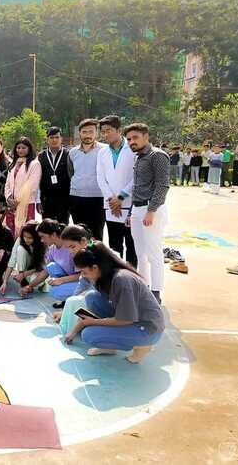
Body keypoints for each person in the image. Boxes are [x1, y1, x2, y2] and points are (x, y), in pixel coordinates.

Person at [65, 242, 165, 364]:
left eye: (84, 272)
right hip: (133, 319)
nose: (83, 275)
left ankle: (142, 346)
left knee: (89, 334)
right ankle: (110, 346)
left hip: (147, 328)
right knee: (92, 297)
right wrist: (74, 330)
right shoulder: (104, 277)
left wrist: (91, 322)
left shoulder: (122, 280)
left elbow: (126, 320)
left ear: (95, 268)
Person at [124, 123, 170, 304]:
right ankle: (144, 288)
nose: (131, 142)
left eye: (135, 137)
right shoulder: (138, 157)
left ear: (146, 136)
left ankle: (156, 292)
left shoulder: (157, 156)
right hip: (137, 209)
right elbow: (136, 188)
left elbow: (162, 185)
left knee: (153, 253)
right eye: (129, 139)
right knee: (140, 253)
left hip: (152, 209)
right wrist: (131, 212)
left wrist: (151, 210)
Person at [96, 115, 137, 268]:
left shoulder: (132, 149)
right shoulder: (102, 152)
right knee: (114, 245)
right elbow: (100, 178)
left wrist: (120, 197)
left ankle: (132, 275)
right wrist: (112, 199)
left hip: (129, 204)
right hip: (111, 206)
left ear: (119, 130)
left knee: (131, 245)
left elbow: (136, 177)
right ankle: (116, 276)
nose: (105, 134)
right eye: (103, 131)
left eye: (109, 130)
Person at [52, 224, 96, 335]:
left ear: (83, 241)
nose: (70, 251)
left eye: (72, 247)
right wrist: (66, 311)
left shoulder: (97, 256)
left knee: (89, 334)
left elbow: (102, 290)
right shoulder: (85, 256)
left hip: (113, 306)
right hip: (99, 298)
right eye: (68, 248)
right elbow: (81, 285)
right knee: (73, 301)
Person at [68, 119, 106, 241]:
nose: (88, 135)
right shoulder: (72, 152)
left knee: (96, 233)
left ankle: (95, 253)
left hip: (98, 198)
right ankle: (82, 253)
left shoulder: (104, 150)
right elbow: (71, 173)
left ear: (96, 133)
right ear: (79, 133)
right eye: (84, 132)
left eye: (91, 132)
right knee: (79, 234)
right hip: (76, 198)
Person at [36, 218, 81, 308]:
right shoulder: (52, 248)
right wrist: (30, 286)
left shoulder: (71, 247)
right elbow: (46, 271)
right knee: (51, 266)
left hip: (83, 282)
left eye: (43, 236)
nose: (41, 240)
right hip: (70, 279)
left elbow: (83, 275)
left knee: (55, 291)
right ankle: (67, 300)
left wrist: (61, 280)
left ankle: (76, 302)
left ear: (53, 235)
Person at [4, 136, 41, 237]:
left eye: (24, 148)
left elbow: (31, 186)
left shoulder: (34, 164)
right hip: (12, 205)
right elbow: (7, 184)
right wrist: (9, 198)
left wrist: (17, 201)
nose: (20, 150)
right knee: (10, 232)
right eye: (18, 148)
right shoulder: (13, 164)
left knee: (24, 233)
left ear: (29, 149)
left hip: (26, 203)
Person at [0, 221, 46, 296]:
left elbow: (44, 267)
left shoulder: (43, 242)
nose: (26, 239)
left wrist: (24, 275)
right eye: (24, 236)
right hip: (25, 269)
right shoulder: (20, 239)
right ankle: (23, 282)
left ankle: (31, 283)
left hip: (38, 271)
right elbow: (12, 261)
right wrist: (4, 282)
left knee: (36, 281)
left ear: (36, 237)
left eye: (30, 238)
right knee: (20, 249)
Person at [37, 126, 71, 224]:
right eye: (51, 137)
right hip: (46, 199)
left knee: (63, 227)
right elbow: (38, 180)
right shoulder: (41, 156)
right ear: (47, 139)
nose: (54, 140)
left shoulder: (68, 154)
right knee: (47, 228)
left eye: (57, 137)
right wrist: (38, 200)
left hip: (64, 198)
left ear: (61, 139)